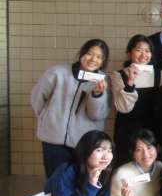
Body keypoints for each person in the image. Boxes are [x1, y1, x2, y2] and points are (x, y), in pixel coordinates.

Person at [31, 39, 111, 178]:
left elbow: (97, 115)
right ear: (82, 54)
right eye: (90, 54)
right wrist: (46, 118)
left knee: (81, 181)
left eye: (99, 57)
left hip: (85, 143)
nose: (93, 59)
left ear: (103, 61)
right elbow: (37, 98)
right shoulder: (58, 72)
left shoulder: (103, 80)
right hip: (53, 139)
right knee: (56, 180)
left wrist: (97, 94)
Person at [111, 35, 162, 169]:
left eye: (147, 51)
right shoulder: (118, 75)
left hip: (151, 129)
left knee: (150, 167)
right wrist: (130, 81)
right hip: (126, 129)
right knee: (124, 167)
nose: (143, 55)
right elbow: (122, 107)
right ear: (129, 53)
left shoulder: (159, 75)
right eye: (138, 50)